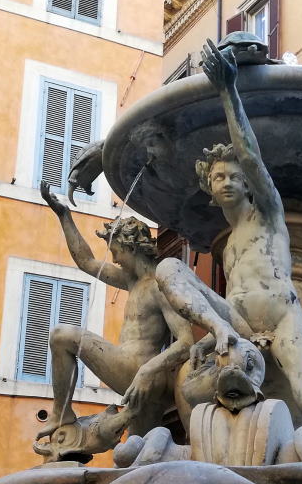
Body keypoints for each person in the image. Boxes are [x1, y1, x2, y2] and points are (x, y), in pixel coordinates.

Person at [154, 40, 302, 427]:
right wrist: (211, 334)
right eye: (220, 176)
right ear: (209, 184)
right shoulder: (229, 241)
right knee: (169, 267)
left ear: (249, 184)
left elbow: (250, 154)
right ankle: (216, 331)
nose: (228, 182)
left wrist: (228, 91)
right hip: (235, 321)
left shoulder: (268, 213)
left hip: (282, 314)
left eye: (236, 176)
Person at [37, 181, 194, 440]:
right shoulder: (132, 281)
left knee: (62, 335)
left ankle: (62, 413)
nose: (115, 259)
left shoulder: (158, 285)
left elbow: (187, 341)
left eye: (117, 252)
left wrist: (147, 371)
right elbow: (86, 261)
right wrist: (64, 216)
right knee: (136, 453)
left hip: (140, 371)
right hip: (140, 378)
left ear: (132, 248)